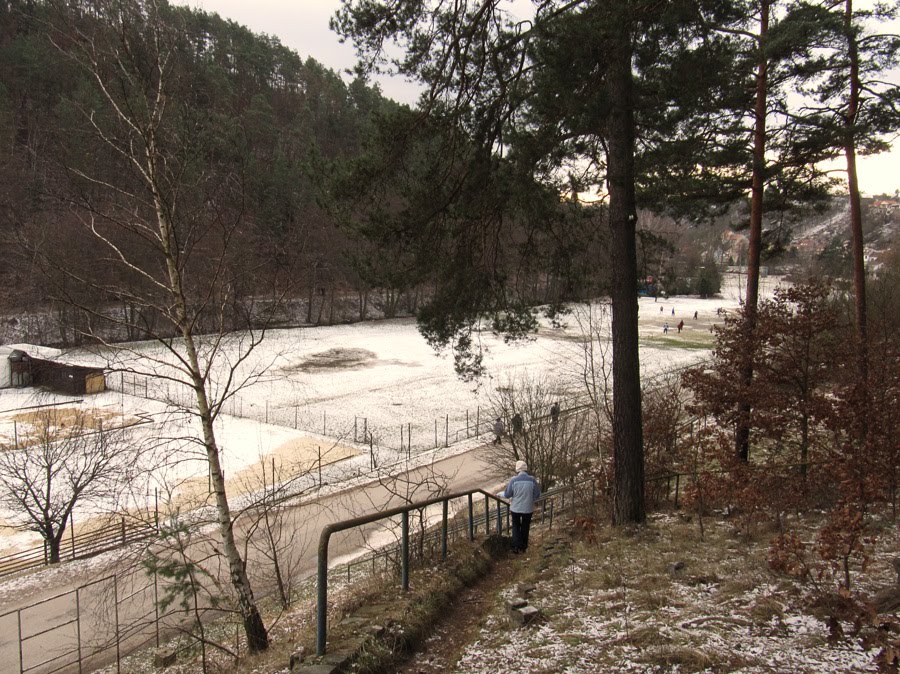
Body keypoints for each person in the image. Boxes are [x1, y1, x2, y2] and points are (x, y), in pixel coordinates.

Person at [504, 460, 541, 554]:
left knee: (516, 526)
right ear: (526, 469)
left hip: (515, 508)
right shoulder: (532, 479)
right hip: (528, 508)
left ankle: (516, 546)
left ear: (517, 469)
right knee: (525, 525)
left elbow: (507, 494)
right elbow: (537, 494)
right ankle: (524, 546)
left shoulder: (513, 480)